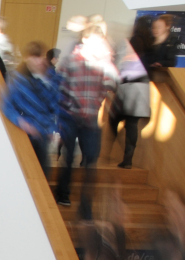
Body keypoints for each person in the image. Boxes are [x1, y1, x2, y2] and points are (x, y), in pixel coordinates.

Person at [54, 25, 117, 217]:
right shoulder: (71, 61)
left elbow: (112, 83)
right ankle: (62, 194)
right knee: (69, 157)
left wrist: (96, 99)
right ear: (86, 40)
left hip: (90, 118)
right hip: (72, 116)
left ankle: (85, 204)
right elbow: (60, 86)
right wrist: (71, 105)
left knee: (91, 161)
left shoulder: (103, 62)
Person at [1, 41, 58, 176]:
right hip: (23, 133)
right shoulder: (16, 78)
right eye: (34, 57)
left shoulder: (49, 76)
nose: (38, 61)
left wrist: (52, 127)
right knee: (24, 172)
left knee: (43, 172)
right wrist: (22, 122)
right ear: (27, 58)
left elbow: (54, 104)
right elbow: (7, 105)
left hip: (42, 133)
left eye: (40, 57)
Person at [110, 18, 152, 169]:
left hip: (129, 87)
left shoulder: (132, 42)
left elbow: (122, 63)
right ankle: (128, 159)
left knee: (113, 120)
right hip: (143, 87)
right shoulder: (149, 44)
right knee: (132, 124)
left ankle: (108, 151)